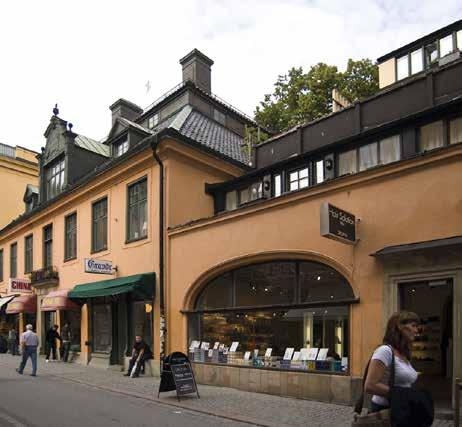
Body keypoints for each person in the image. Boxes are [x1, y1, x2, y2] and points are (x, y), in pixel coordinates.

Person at [364, 311, 433, 426]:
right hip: (385, 411)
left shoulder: (403, 353)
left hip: (401, 408)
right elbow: (370, 385)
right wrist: (405, 394)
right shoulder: (385, 351)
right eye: (413, 326)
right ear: (400, 327)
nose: (417, 330)